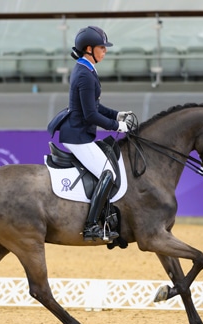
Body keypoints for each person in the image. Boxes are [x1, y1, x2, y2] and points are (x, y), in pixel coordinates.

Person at [58, 25, 135, 242]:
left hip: (81, 133)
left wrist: (117, 115)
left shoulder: (87, 69)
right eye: (102, 47)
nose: (105, 51)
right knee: (108, 173)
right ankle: (91, 225)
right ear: (89, 49)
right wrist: (116, 126)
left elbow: (96, 106)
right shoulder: (84, 74)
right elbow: (91, 115)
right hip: (77, 136)